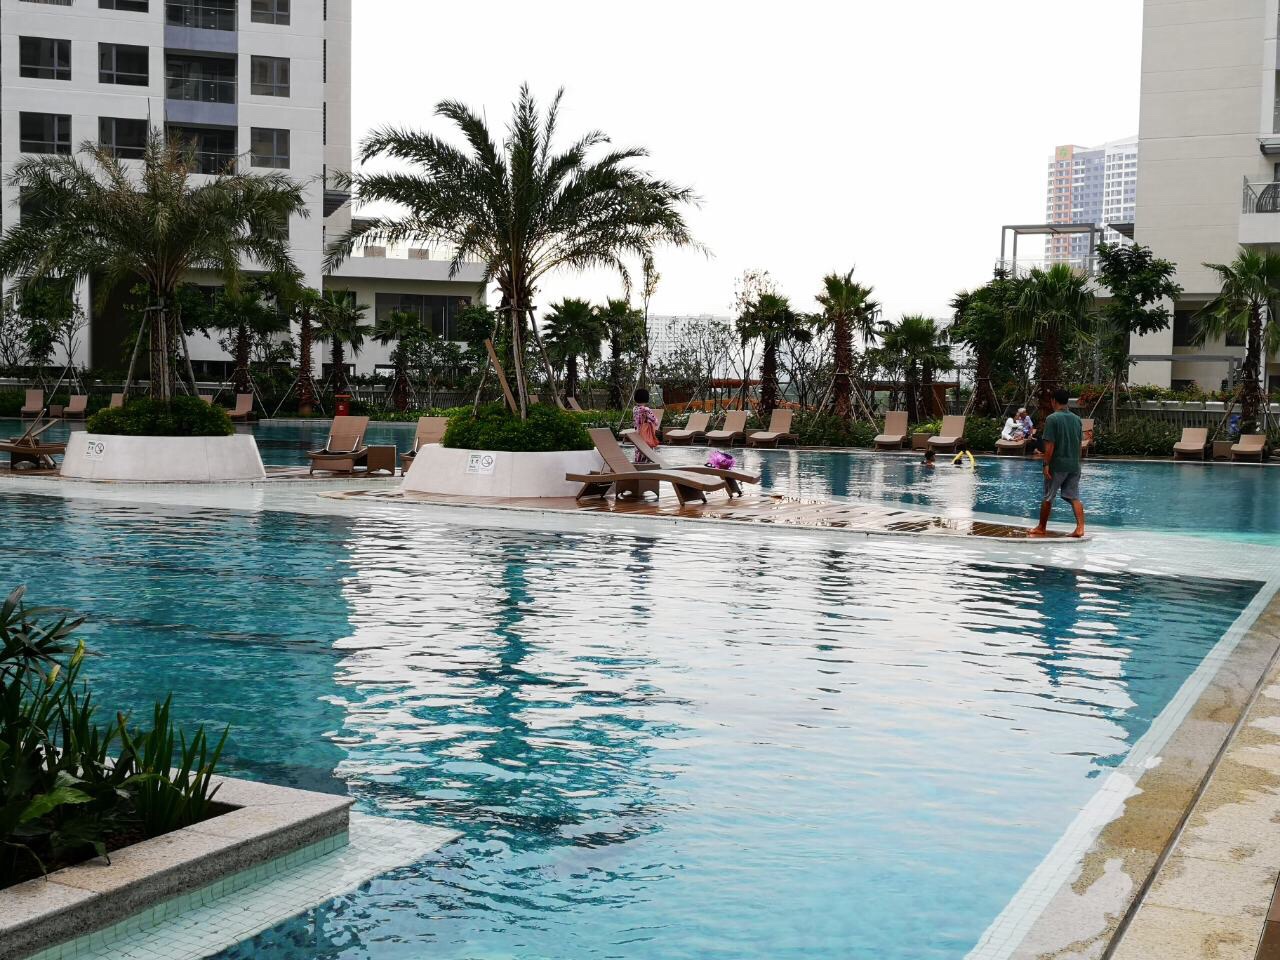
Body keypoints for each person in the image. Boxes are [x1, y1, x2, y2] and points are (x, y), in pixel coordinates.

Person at [1029, 389, 1085, 538]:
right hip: (1074, 464)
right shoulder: (1077, 419)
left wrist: (1046, 464)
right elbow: (1079, 444)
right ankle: (1080, 528)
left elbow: (1050, 445)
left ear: (1054, 401)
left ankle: (1041, 527)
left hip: (1057, 465)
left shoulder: (1052, 419)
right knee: (1074, 497)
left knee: (1048, 496)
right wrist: (1077, 462)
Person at [631, 388, 660, 465]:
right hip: (645, 434)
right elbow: (655, 422)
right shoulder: (646, 409)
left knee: (638, 451)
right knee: (647, 452)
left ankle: (638, 466)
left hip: (637, 434)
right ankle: (646, 467)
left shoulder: (634, 409)